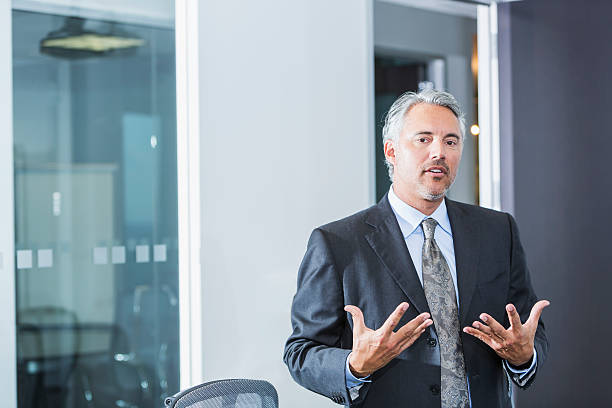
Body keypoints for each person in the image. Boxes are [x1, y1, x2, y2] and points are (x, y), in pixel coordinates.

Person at [283, 89, 549, 407]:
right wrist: (355, 365)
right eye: (423, 139)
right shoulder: (338, 243)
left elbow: (527, 327)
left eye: (451, 141)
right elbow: (301, 351)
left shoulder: (498, 230)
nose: (439, 152)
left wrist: (525, 356)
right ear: (392, 151)